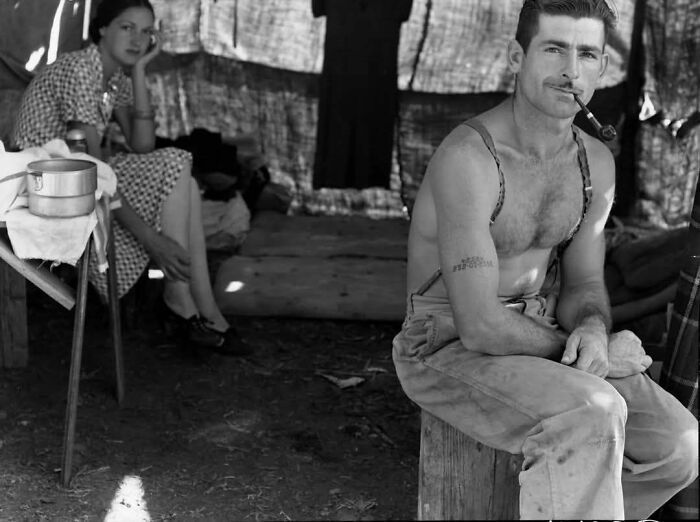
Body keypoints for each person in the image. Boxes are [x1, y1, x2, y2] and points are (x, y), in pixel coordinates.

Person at [392, 0, 698, 519]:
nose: (570, 71)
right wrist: (591, 356)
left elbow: (584, 284)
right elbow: (479, 326)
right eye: (554, 49)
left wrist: (594, 331)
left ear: (603, 67)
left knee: (680, 446)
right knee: (591, 413)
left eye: (586, 54)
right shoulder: (470, 159)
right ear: (518, 57)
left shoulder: (593, 163)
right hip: (446, 345)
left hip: (543, 329)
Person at [11, 0, 250, 356]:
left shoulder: (113, 77)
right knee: (175, 164)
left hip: (72, 177)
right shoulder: (81, 68)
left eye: (146, 32)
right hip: (41, 186)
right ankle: (184, 301)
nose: (138, 39)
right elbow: (91, 173)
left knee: (182, 176)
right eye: (127, 27)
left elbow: (142, 144)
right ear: (102, 29)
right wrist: (151, 240)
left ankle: (202, 309)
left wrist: (139, 71)